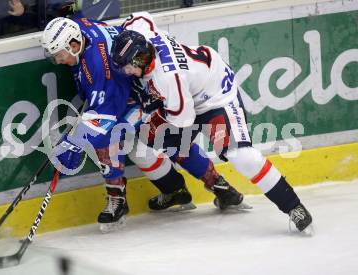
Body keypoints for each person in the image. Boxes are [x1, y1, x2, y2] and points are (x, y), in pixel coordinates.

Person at [110, 12, 313, 233]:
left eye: (129, 66)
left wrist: (153, 123)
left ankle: (293, 206)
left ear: (141, 58)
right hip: (190, 90)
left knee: (240, 155)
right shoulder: (142, 35)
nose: (126, 71)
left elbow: (183, 121)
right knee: (160, 140)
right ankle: (221, 189)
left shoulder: (168, 79)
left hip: (215, 96)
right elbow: (141, 16)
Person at [40, 15, 246, 231]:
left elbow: (104, 120)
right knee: (154, 144)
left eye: (59, 55)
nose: (59, 61)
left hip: (143, 97)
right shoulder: (81, 28)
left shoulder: (101, 70)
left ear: (74, 45)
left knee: (128, 140)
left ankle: (118, 199)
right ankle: (200, 188)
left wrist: (75, 142)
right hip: (140, 88)